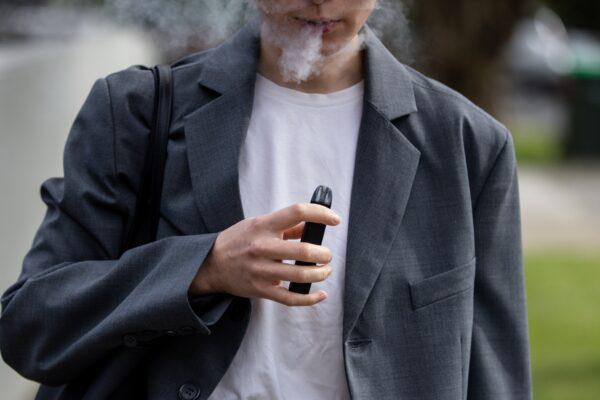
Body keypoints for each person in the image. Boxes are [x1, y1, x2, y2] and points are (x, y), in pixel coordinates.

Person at [0, 1, 532, 399]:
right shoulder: (134, 113)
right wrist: (201, 269)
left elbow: (496, 378)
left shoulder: (469, 147)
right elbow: (30, 324)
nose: (321, 2)